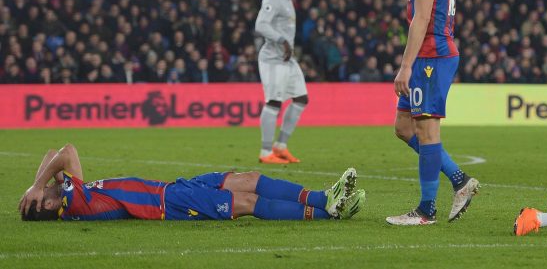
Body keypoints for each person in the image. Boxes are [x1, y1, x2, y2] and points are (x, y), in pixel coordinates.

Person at [387, 0, 479, 226]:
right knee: (403, 126)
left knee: (427, 131)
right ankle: (459, 179)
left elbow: (422, 17)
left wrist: (405, 66)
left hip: (430, 57)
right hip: (432, 53)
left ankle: (426, 211)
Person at [20, 143, 365, 222]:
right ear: (49, 203)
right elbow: (65, 152)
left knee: (250, 178)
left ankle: (323, 197)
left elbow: (53, 153)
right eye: (45, 191)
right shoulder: (73, 201)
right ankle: (328, 214)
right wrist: (37, 186)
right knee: (247, 203)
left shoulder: (68, 196)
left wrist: (34, 188)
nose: (49, 184)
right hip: (170, 204)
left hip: (171, 187)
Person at [254, 0, 308, 164]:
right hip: (272, 59)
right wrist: (282, 41)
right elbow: (261, 25)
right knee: (274, 102)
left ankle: (281, 146)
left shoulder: (287, 1)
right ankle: (265, 151)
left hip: (287, 60)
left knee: (301, 98)